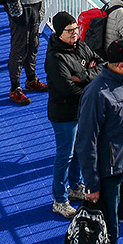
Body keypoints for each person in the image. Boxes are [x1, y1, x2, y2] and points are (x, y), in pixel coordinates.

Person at [77, 39, 123, 244]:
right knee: (108, 228)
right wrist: (92, 184)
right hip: (110, 171)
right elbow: (86, 141)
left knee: (118, 219)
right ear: (119, 65)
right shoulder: (96, 93)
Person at [44, 11, 100, 218]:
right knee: (65, 155)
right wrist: (89, 86)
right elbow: (66, 88)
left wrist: (82, 76)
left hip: (80, 109)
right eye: (69, 31)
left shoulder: (80, 46)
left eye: (76, 28)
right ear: (59, 33)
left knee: (79, 151)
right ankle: (59, 199)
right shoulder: (56, 58)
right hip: (64, 113)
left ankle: (75, 187)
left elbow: (101, 64)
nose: (75, 33)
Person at [4, 0, 57, 104]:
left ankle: (31, 79)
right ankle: (15, 88)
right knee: (19, 49)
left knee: (33, 46)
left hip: (35, 8)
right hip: (22, 10)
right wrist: (16, 12)